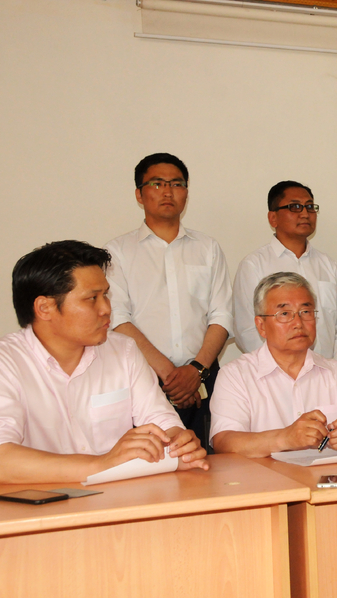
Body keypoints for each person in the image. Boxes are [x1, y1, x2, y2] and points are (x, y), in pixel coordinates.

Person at [0, 241, 207, 484]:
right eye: (92, 298)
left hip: (119, 498)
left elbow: (163, 424)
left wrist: (179, 442)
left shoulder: (123, 351)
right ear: (44, 308)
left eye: (106, 295)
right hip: (41, 503)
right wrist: (101, 465)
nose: (106, 309)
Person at [105, 153, 232, 450]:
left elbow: (222, 315)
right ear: (139, 194)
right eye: (157, 183)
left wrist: (195, 371)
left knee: (208, 462)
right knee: (150, 464)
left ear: (186, 193)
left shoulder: (208, 248)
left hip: (202, 379)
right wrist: (171, 375)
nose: (167, 191)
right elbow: (118, 319)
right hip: (143, 379)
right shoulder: (117, 252)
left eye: (176, 184)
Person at [211, 273, 337, 457]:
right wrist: (286, 438)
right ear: (261, 326)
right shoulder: (236, 375)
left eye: (306, 312)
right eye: (285, 314)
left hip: (330, 474)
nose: (298, 323)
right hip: (268, 476)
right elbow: (224, 442)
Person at [233, 181, 337, 365]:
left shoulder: (328, 265)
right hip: (275, 376)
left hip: (326, 372)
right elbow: (247, 330)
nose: (305, 213)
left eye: (310, 207)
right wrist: (282, 371)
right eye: (295, 207)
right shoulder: (254, 265)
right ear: (273, 218)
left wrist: (334, 366)